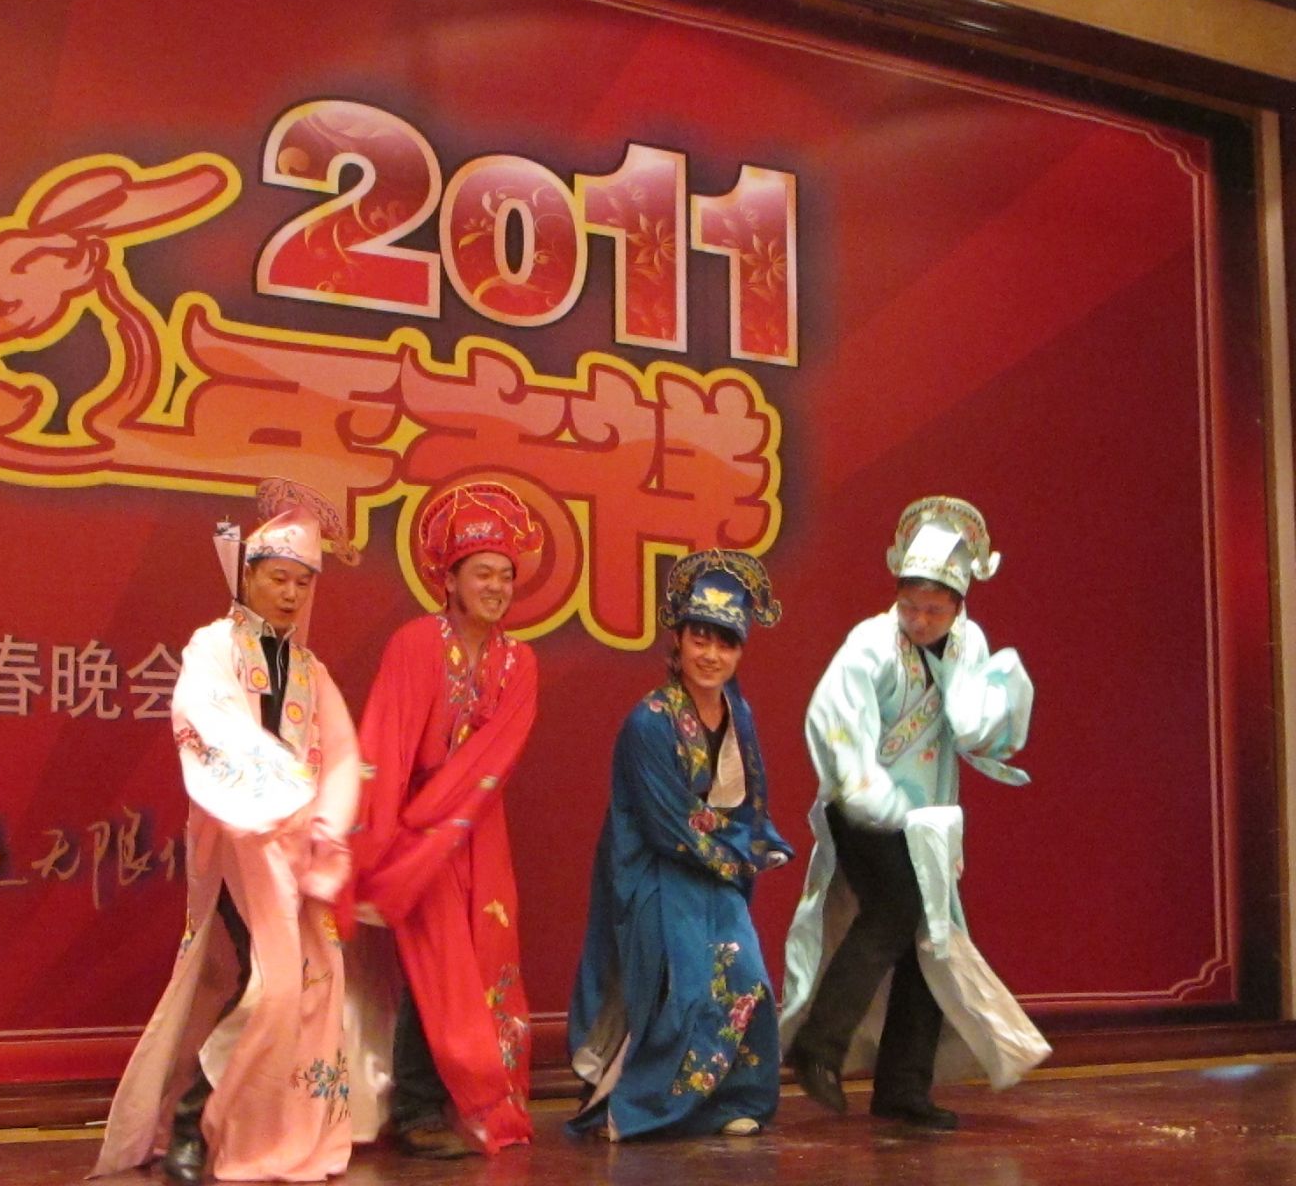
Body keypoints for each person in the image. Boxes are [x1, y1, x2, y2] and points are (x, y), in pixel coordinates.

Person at [94, 479, 361, 1183]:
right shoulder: (212, 647)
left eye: (303, 582)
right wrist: (283, 796)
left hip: (296, 851)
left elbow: (343, 754)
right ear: (248, 577)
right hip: (238, 841)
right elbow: (208, 722)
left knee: (297, 990)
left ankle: (247, 1129)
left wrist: (327, 827)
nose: (291, 594)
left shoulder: (310, 670)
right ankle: (192, 1124)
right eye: (278, 578)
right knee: (250, 982)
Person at [780, 496, 1049, 1131]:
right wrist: (876, 799)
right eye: (911, 605)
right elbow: (832, 722)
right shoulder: (870, 644)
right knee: (899, 909)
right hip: (865, 806)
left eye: (934, 609)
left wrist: (991, 689)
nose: (920, 619)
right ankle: (819, 1044)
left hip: (926, 819)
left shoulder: (968, 643)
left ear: (959, 605)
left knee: (933, 936)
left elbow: (976, 732)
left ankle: (903, 1086)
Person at [342, 481, 544, 1158]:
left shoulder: (520, 663)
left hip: (478, 831)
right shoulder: (415, 644)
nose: (496, 587)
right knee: (436, 967)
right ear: (449, 579)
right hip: (414, 830)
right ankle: (417, 1109)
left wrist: (446, 823)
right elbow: (386, 743)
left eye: (505, 575)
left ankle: (472, 1101)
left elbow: (498, 755)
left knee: (486, 960)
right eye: (482, 573)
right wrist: (390, 837)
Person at [567, 549, 795, 1141]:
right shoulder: (649, 721)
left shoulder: (738, 713)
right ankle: (637, 1106)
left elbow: (750, 800)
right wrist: (742, 850)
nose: (711, 654)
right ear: (679, 638)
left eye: (726, 642)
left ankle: (734, 1099)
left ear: (740, 650)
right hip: (657, 873)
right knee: (690, 985)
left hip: (715, 872)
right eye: (700, 637)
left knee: (749, 978)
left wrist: (756, 841)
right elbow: (671, 824)